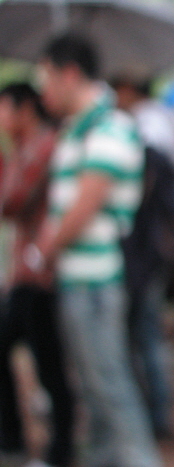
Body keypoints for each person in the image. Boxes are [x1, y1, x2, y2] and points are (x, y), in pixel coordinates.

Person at [31, 33, 161, 467]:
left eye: (47, 78)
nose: (44, 91)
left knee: (110, 384)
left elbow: (84, 206)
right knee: (94, 386)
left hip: (99, 281)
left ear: (69, 75)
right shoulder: (78, 129)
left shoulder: (110, 128)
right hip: (79, 278)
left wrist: (43, 251)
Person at [0, 83, 75, 467]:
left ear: (25, 108)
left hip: (41, 276)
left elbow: (10, 202)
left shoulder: (45, 147)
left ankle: (59, 450)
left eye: (4, 109)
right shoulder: (25, 150)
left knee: (51, 366)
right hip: (26, 275)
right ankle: (14, 439)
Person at [112, 76, 174, 439]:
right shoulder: (157, 139)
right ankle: (154, 411)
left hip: (141, 256)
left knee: (143, 334)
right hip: (143, 255)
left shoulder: (145, 148)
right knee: (144, 335)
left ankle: (154, 413)